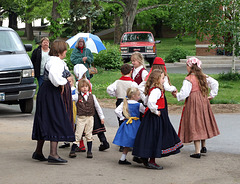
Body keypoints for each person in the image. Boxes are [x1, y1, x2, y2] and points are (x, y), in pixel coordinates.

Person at [32, 40, 75, 164]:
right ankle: (53, 154)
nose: (66, 52)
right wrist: (63, 83)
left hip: (46, 91)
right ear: (61, 51)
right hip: (51, 92)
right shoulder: (55, 62)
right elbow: (55, 77)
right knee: (55, 118)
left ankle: (38, 152)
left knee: (44, 119)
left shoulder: (55, 60)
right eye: (65, 49)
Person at [132, 69, 183, 170]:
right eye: (163, 78)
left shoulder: (155, 89)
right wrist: (155, 111)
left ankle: (144, 156)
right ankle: (151, 161)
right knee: (155, 137)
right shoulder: (156, 90)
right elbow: (150, 103)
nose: (164, 80)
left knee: (150, 137)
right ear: (157, 79)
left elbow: (146, 101)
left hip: (153, 116)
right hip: (155, 117)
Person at [172, 57, 220, 159]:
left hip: (193, 102)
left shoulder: (189, 79)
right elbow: (215, 83)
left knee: (195, 123)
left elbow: (184, 93)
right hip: (203, 101)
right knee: (202, 121)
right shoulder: (204, 77)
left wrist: (177, 95)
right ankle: (203, 146)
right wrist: (212, 95)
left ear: (189, 67)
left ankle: (197, 151)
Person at [74, 64, 110, 152]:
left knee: (80, 129)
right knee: (98, 127)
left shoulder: (78, 83)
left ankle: (81, 145)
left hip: (84, 109)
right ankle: (104, 141)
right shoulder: (88, 81)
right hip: (91, 108)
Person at [69, 79, 105, 159]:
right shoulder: (77, 96)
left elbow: (97, 107)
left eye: (86, 86)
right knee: (78, 134)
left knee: (89, 134)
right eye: (82, 87)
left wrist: (101, 117)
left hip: (90, 118)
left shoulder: (92, 97)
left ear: (89, 87)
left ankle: (89, 151)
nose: (84, 88)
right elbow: (68, 98)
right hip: (81, 118)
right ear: (79, 88)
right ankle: (72, 150)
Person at [107, 64, 138, 151]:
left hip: (120, 101)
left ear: (121, 72)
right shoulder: (133, 83)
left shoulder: (117, 82)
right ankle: (128, 143)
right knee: (129, 122)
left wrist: (115, 94)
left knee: (122, 122)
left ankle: (122, 144)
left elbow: (109, 89)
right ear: (131, 71)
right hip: (129, 103)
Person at [113, 87, 145, 165]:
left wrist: (122, 117)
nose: (139, 97)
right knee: (138, 140)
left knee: (127, 142)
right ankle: (137, 155)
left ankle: (123, 158)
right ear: (133, 96)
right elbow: (145, 111)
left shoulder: (125, 103)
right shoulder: (139, 105)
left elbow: (117, 111)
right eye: (138, 95)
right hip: (136, 124)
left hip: (127, 123)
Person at [59, 74, 78, 149]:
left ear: (72, 81)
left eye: (69, 81)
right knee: (65, 122)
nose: (68, 83)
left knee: (72, 121)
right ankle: (66, 140)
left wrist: (69, 97)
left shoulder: (74, 89)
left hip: (72, 106)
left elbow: (76, 97)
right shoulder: (64, 89)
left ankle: (74, 140)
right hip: (65, 106)